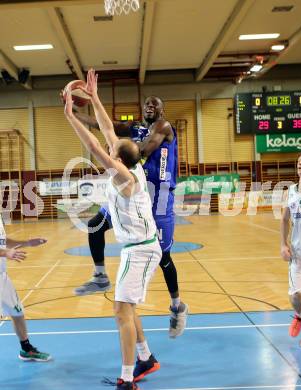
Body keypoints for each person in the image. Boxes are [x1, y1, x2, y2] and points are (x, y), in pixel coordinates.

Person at [64, 70, 162, 390]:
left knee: (121, 311)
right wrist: (94, 97)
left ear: (117, 157)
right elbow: (105, 129)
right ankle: (146, 357)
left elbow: (94, 146)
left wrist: (70, 115)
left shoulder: (125, 177)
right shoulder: (132, 164)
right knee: (127, 306)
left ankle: (127, 378)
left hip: (140, 249)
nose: (112, 141)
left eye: (114, 147)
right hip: (139, 247)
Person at [72, 91, 188, 341]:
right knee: (95, 225)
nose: (150, 106)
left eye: (155, 104)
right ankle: (100, 275)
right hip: (131, 193)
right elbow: (104, 125)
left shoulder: (163, 126)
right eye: (147, 103)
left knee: (163, 256)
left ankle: (177, 305)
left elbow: (144, 150)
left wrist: (115, 150)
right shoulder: (134, 128)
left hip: (158, 197)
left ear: (161, 110)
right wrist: (74, 113)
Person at [0, 217, 51, 362]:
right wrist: (5, 253)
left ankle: (26, 349)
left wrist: (27, 243)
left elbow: (3, 241)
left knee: (17, 312)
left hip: (2, 276)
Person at [280, 151, 301, 347]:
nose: (299, 163)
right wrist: (283, 244)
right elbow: (285, 220)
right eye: (298, 161)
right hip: (299, 256)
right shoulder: (291, 190)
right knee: (296, 296)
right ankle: (299, 314)